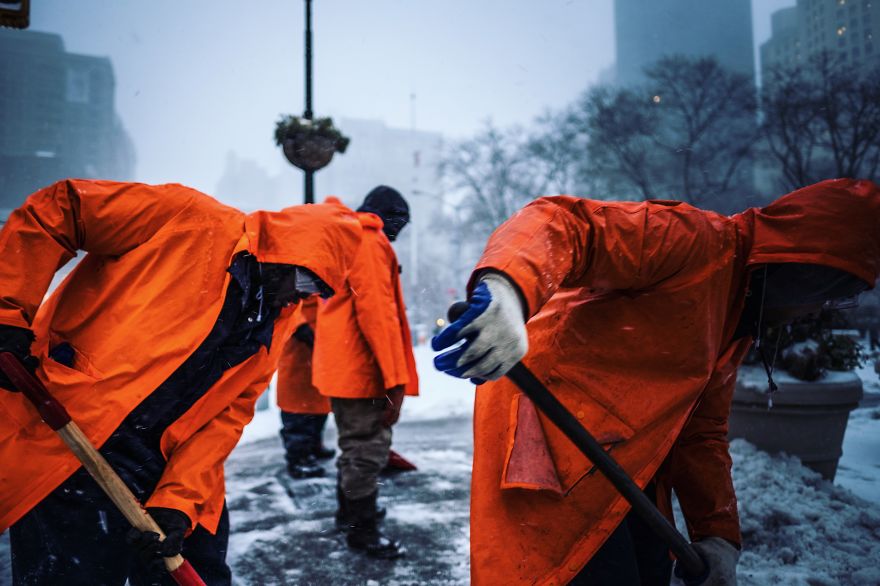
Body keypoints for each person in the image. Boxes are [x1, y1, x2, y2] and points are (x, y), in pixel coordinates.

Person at [432, 178, 880, 586]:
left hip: (625, 453)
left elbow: (701, 434)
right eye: (837, 291)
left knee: (648, 571)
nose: (827, 308)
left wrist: (718, 536)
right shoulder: (695, 241)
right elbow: (562, 223)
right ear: (807, 267)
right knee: (571, 570)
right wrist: (510, 292)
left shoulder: (736, 314)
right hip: (553, 424)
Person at [0, 179, 362, 585]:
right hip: (74, 439)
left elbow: (228, 415)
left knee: (198, 572)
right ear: (290, 251)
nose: (302, 297)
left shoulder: (277, 317)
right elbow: (61, 210)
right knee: (73, 575)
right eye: (308, 281)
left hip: (166, 465)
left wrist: (178, 501)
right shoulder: (185, 217)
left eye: (317, 291)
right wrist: (6, 310)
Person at [312, 186, 418, 559]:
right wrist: (394, 379)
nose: (396, 235)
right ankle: (363, 531)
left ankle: (349, 514)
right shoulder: (370, 241)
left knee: (352, 444)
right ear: (387, 217)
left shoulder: (345, 236)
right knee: (369, 449)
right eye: (398, 226)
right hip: (363, 370)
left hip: (342, 366)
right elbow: (378, 315)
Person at [276, 296, 335, 479]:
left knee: (318, 411)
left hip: (319, 356)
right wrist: (304, 328)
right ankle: (298, 459)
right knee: (298, 415)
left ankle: (313, 447)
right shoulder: (293, 288)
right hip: (299, 356)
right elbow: (286, 308)